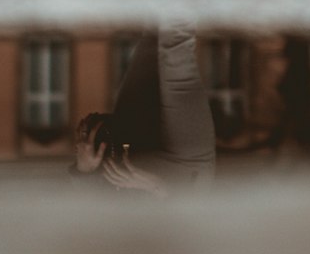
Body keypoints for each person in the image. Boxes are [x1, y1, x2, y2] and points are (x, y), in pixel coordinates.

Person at [71, 26, 216, 196]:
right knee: (176, 46)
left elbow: (86, 209)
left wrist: (83, 169)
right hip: (183, 168)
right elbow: (196, 215)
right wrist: (159, 187)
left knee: (152, 36)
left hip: (130, 142)